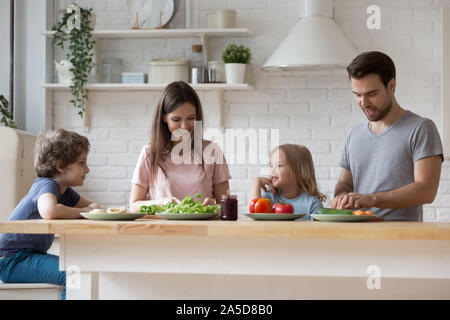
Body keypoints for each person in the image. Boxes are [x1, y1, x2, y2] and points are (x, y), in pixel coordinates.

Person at [330, 51, 443, 221]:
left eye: (372, 94)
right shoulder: (354, 134)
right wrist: (342, 197)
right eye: (357, 95)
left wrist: (372, 199)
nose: (364, 102)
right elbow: (345, 183)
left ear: (391, 86)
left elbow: (426, 190)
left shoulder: (421, 128)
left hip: (400, 240)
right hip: (356, 237)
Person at [0, 129, 101, 300]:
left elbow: (94, 205)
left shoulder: (65, 191)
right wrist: (83, 212)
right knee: (73, 275)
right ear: (61, 166)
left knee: (79, 269)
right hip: (11, 260)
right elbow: (49, 211)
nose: (87, 169)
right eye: (81, 163)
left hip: (27, 256)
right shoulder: (46, 185)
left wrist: (91, 209)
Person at [129, 81, 231, 212]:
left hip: (202, 231)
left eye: (191, 118)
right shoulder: (149, 153)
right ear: (164, 118)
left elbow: (227, 206)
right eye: (176, 120)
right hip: (161, 231)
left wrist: (213, 207)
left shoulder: (212, 151)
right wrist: (162, 203)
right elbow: (133, 207)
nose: (184, 126)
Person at [249, 144, 324, 219]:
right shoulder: (269, 198)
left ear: (298, 171)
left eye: (279, 165)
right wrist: (255, 183)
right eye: (271, 165)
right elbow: (254, 220)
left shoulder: (313, 204)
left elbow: (319, 230)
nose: (272, 170)